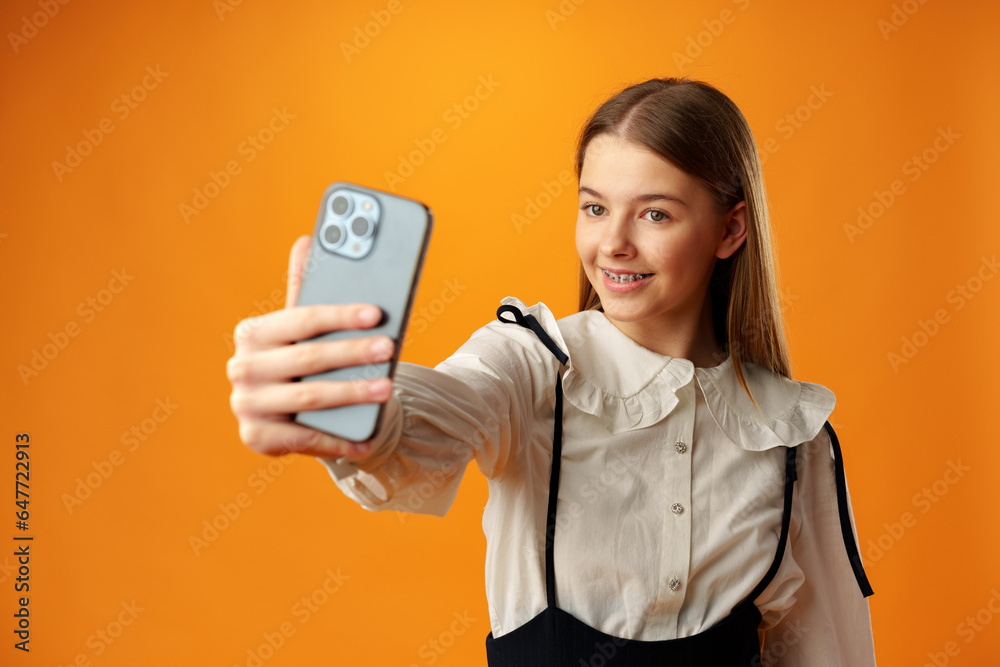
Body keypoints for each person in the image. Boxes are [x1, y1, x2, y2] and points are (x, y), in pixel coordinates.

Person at [227, 77, 877, 665]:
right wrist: (358, 405)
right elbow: (444, 409)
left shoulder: (795, 436)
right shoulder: (534, 367)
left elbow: (827, 650)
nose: (613, 242)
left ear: (731, 229)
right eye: (594, 207)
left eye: (655, 213)